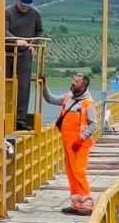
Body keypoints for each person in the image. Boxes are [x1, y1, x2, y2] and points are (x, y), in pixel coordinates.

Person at [41, 73, 98, 215]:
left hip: (79, 144)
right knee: (71, 172)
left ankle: (87, 203)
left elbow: (93, 125)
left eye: (77, 81)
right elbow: (51, 99)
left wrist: (81, 139)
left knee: (79, 171)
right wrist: (44, 86)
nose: (74, 83)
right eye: (73, 80)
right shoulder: (68, 97)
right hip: (67, 143)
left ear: (84, 85)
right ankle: (76, 202)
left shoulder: (88, 103)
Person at [6, 0, 43, 131]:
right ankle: (6, 114)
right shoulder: (8, 12)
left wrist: (33, 44)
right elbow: (4, 30)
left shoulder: (35, 14)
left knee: (24, 85)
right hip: (8, 52)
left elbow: (39, 31)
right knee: (7, 83)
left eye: (27, 6)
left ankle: (20, 119)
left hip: (25, 53)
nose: (25, 8)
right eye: (22, 5)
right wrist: (15, 40)